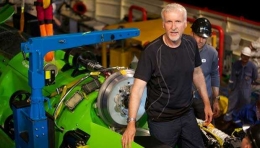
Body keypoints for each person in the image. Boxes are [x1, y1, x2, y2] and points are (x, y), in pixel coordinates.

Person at [121, 3, 213, 148]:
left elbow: (197, 73)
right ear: (163, 24)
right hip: (162, 120)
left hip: (186, 113)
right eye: (169, 21)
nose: (173, 27)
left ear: (184, 24)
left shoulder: (190, 44)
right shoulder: (151, 52)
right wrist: (131, 123)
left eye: (177, 21)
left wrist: (207, 103)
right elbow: (137, 89)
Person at [191, 17, 221, 121]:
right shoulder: (182, 50)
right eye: (198, 36)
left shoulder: (212, 53)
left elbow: (215, 75)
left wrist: (216, 100)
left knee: (207, 128)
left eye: (204, 37)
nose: (201, 40)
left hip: (204, 100)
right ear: (192, 33)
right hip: (185, 99)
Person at [223, 47, 258, 122]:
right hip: (236, 88)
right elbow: (232, 77)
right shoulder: (236, 64)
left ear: (249, 57)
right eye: (244, 56)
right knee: (232, 102)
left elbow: (255, 77)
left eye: (247, 57)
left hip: (246, 89)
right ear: (241, 55)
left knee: (245, 104)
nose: (245, 58)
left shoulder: (252, 66)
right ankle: (228, 118)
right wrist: (230, 87)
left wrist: (249, 84)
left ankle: (241, 120)